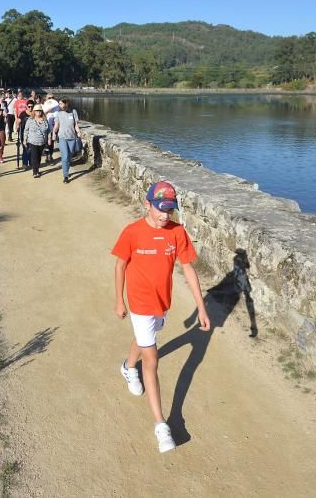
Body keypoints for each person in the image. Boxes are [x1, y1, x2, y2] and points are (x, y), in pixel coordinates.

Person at [111, 181, 211, 453]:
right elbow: (120, 265)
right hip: (140, 302)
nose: (166, 215)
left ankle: (128, 366)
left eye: (170, 210)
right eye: (161, 209)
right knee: (152, 359)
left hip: (161, 302)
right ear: (147, 204)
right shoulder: (132, 232)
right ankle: (162, 425)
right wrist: (120, 299)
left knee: (147, 337)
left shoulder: (177, 232)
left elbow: (188, 270)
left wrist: (201, 308)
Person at [52, 98, 83, 184]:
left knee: (69, 157)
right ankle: (65, 175)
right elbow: (56, 125)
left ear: (66, 104)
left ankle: (67, 169)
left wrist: (78, 132)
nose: (60, 105)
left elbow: (75, 124)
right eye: (59, 104)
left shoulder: (73, 112)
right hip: (62, 137)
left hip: (72, 138)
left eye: (61, 104)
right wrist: (54, 134)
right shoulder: (58, 113)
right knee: (65, 156)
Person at [22, 105, 50, 178]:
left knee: (39, 157)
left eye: (40, 111)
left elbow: (48, 131)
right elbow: (26, 130)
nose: (38, 112)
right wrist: (24, 139)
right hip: (32, 141)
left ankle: (37, 169)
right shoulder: (30, 120)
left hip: (42, 142)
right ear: (34, 112)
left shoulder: (45, 120)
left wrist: (49, 139)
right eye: (37, 111)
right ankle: (35, 172)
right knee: (34, 156)